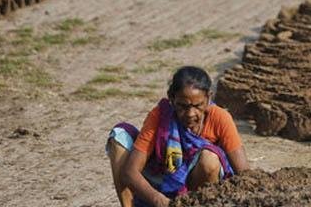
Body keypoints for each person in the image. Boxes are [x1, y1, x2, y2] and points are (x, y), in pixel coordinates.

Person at [106, 66, 250, 207]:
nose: (190, 114)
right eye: (182, 106)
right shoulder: (160, 116)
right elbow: (130, 171)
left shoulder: (220, 118)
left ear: (208, 98)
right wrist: (159, 201)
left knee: (210, 159)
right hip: (162, 181)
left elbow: (244, 174)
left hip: (198, 188)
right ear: (171, 99)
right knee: (120, 136)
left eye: (198, 105)